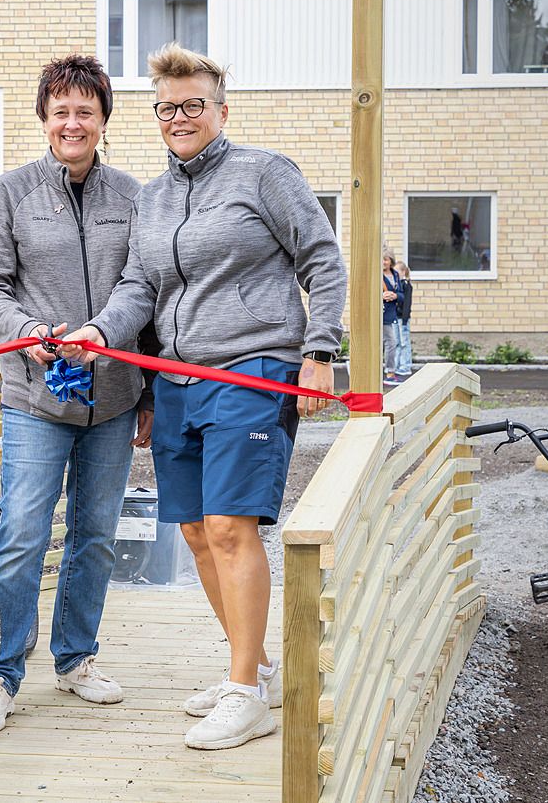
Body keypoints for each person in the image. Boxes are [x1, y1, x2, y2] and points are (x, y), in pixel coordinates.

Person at [62, 43, 347, 751]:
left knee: (230, 528)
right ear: (155, 115)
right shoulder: (151, 199)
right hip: (179, 378)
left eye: (194, 104)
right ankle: (255, 671)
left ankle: (244, 692)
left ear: (221, 109)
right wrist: (100, 331)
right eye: (167, 107)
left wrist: (320, 352)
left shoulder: (265, 173)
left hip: (251, 370)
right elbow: (139, 289)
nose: (180, 117)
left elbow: (322, 258)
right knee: (193, 533)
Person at [0, 54, 154, 734]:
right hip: (36, 396)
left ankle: (75, 660)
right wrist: (25, 332)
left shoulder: (134, 196)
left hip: (113, 399)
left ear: (104, 119)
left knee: (96, 535)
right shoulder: (10, 193)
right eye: (61, 110)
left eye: (86, 110)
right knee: (19, 533)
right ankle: (0, 673)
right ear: (44, 117)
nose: (73, 122)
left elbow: (144, 291)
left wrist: (117, 348)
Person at [382, 250, 403, 385]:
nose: (383, 262)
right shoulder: (376, 275)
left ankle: (388, 371)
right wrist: (381, 296)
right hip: (380, 314)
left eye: (386, 259)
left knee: (389, 343)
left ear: (391, 261)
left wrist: (395, 296)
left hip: (391, 314)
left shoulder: (395, 274)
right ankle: (389, 372)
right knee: (391, 342)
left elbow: (401, 294)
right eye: (382, 259)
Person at [394, 261, 413, 377]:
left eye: (396, 272)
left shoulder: (406, 285)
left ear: (403, 272)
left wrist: (405, 319)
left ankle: (405, 366)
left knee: (404, 342)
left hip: (403, 319)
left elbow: (407, 303)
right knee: (396, 343)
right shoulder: (395, 285)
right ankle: (396, 366)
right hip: (395, 318)